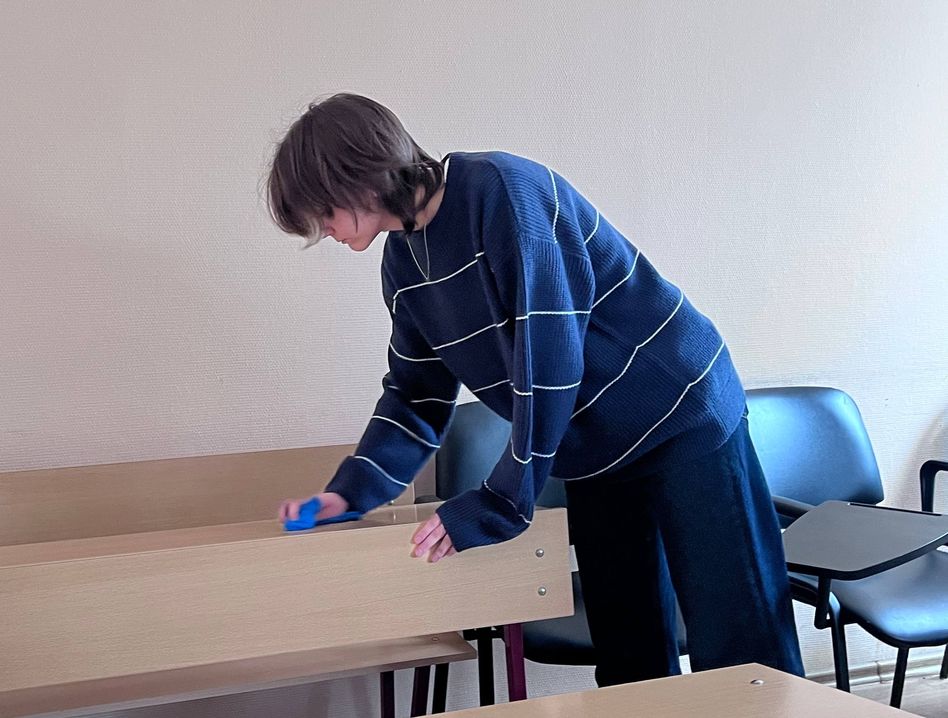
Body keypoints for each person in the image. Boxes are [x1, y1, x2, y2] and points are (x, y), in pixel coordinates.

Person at [269, 93, 804, 685]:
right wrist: (350, 493)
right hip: (594, 448)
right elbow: (414, 395)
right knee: (628, 654)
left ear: (359, 176)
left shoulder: (503, 193)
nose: (323, 230)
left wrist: (501, 501)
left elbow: (549, 364)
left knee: (741, 645)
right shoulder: (403, 265)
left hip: (679, 411)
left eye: (323, 211)